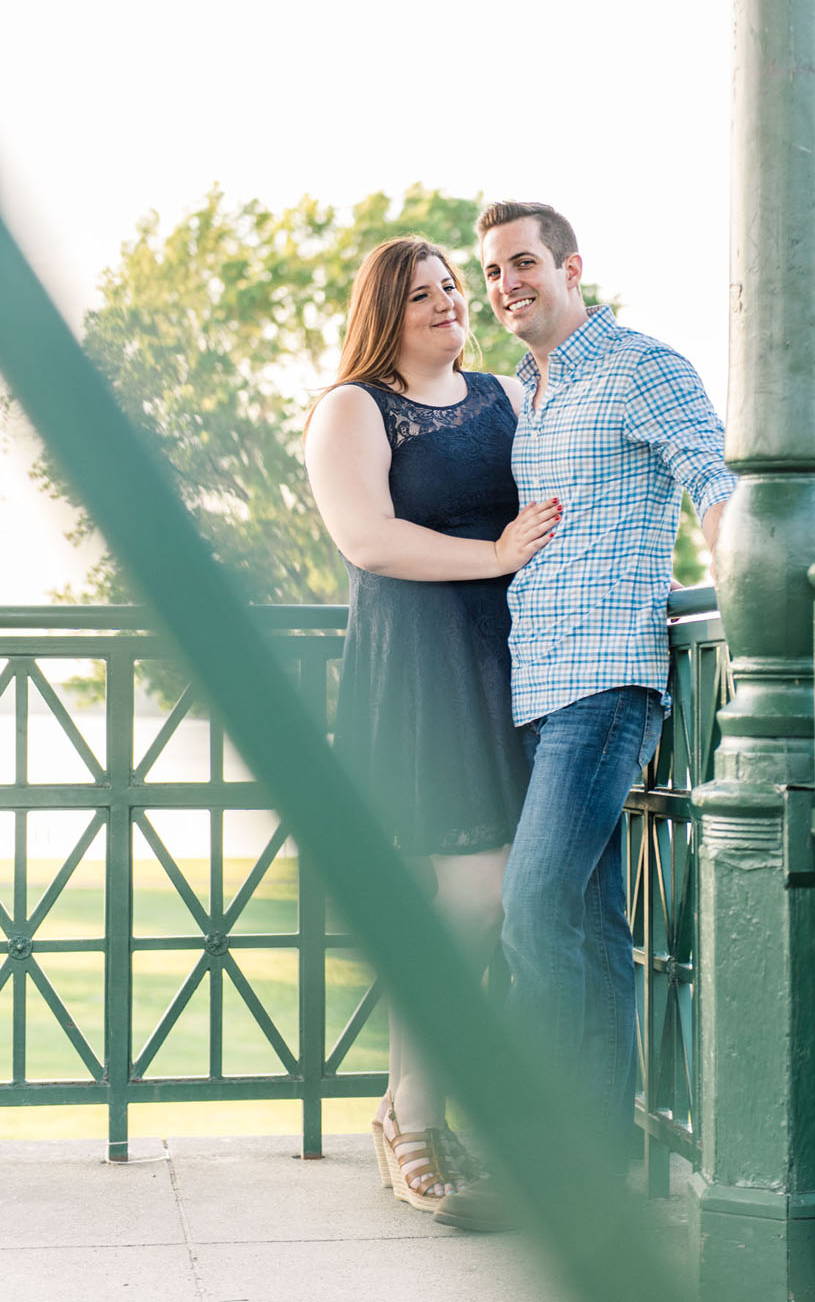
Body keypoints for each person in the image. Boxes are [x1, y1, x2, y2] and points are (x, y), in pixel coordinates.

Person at [434, 201, 736, 1231]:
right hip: (531, 684)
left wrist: (743, 566)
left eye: (522, 262)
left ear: (570, 266)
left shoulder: (641, 366)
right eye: (489, 271)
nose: (502, 282)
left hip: (605, 683)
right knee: (595, 933)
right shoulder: (520, 390)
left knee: (530, 912)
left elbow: (710, 474)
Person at [303, 235, 559, 1213]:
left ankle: (434, 1106)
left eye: (454, 288)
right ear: (385, 312)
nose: (450, 304)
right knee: (476, 893)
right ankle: (412, 1113)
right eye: (423, 295)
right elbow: (366, 539)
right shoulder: (353, 409)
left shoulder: (505, 394)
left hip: (517, 662)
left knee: (509, 898)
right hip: (420, 669)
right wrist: (494, 554)